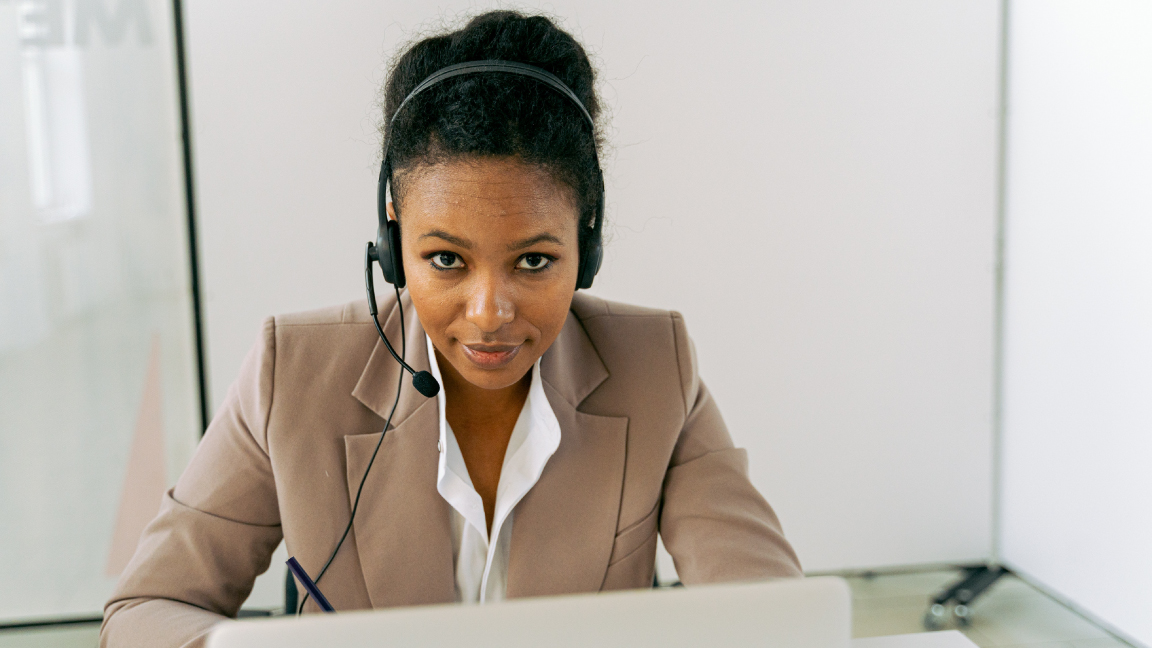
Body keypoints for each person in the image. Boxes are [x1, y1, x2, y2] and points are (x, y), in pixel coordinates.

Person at [100, 10, 801, 648]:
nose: (489, 311)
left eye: (533, 260)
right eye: (445, 260)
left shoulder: (656, 368)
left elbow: (773, 617)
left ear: (587, 247)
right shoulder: (293, 373)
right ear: (392, 242)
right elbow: (143, 612)